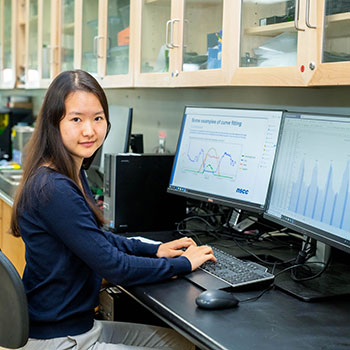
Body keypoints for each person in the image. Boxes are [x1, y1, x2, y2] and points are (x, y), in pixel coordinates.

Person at [10, 70, 215, 350]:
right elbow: (115, 267)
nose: (89, 130)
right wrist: (184, 263)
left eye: (98, 118)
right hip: (60, 340)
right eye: (76, 119)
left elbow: (96, 239)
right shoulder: (54, 188)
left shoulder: (69, 170)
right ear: (53, 123)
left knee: (184, 344)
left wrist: (155, 250)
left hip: (79, 327)